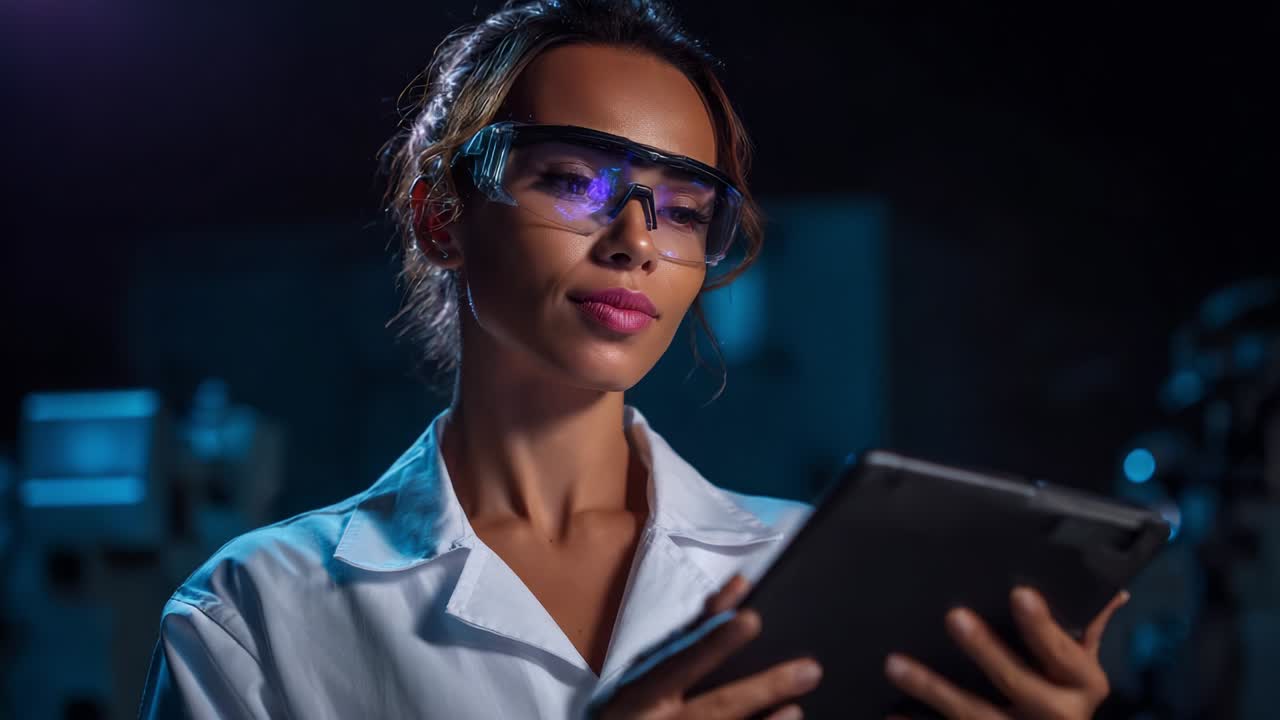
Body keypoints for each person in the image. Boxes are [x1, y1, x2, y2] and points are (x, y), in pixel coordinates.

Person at [138, 1, 1126, 718]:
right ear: (440, 217)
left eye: (685, 210)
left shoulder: (813, 577)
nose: (635, 240)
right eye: (571, 180)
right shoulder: (257, 613)